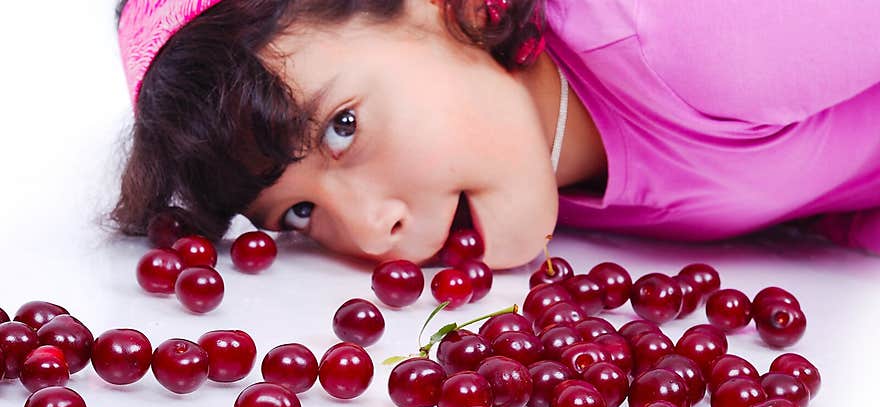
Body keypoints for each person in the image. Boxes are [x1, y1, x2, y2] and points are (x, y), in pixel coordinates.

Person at [112, 0, 880, 269]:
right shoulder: (520, 154)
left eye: (343, 127)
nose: (377, 233)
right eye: (299, 214)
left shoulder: (693, 35)